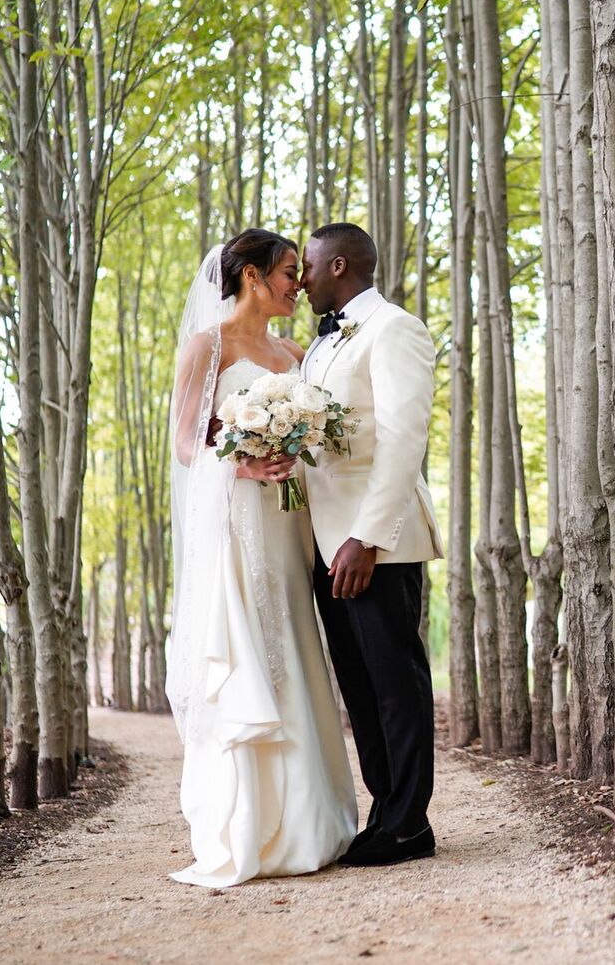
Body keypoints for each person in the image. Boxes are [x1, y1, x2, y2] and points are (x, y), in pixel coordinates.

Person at [165, 230, 358, 887]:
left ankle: (313, 817)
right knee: (252, 640)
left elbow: (316, 438)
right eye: (284, 272)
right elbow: (189, 443)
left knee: (295, 637)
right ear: (249, 275)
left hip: (291, 519)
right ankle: (252, 825)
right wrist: (240, 462)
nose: (296, 284)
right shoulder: (207, 347)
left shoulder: (295, 354)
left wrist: (291, 448)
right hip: (239, 516)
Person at [298, 221, 443, 867]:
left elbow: (403, 438)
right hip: (324, 542)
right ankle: (387, 810)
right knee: (359, 685)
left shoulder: (393, 328)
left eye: (306, 265)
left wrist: (365, 537)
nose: (298, 278)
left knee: (395, 683)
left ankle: (410, 823)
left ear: (337, 265)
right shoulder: (319, 344)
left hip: (375, 542)